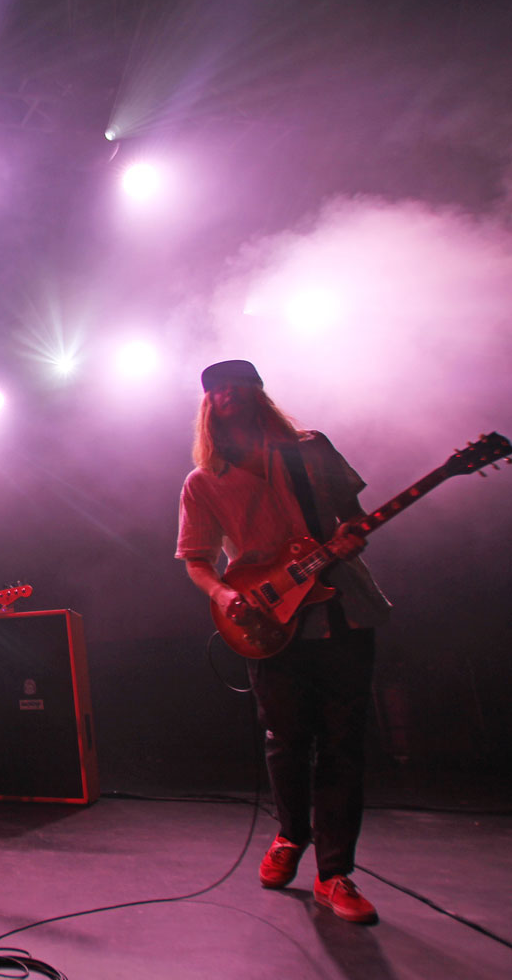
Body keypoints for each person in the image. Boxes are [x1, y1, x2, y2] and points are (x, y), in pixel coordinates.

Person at [176, 360, 391, 925]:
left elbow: (354, 516)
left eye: (237, 384)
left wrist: (353, 536)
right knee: (286, 739)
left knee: (344, 744)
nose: (226, 393)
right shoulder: (204, 480)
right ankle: (292, 834)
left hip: (341, 610)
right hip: (266, 620)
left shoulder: (310, 449)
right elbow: (196, 560)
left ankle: (334, 872)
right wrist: (224, 595)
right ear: (207, 404)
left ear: (258, 392)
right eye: (215, 388)